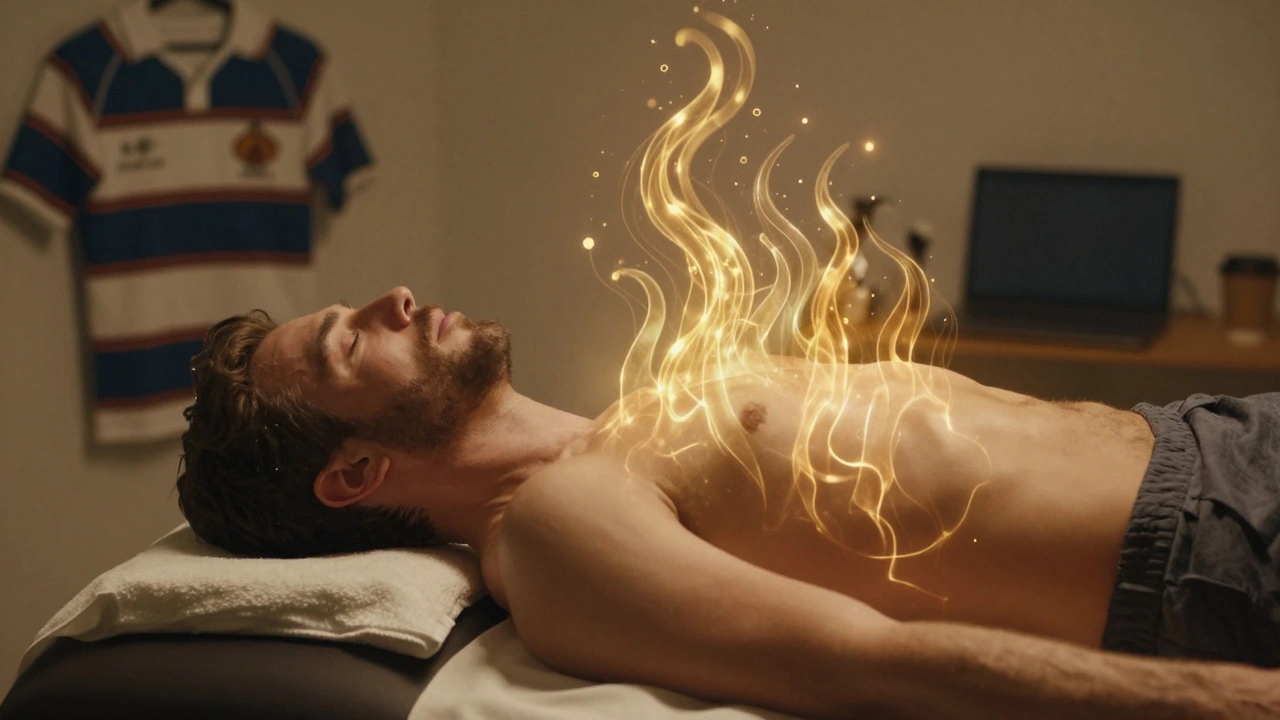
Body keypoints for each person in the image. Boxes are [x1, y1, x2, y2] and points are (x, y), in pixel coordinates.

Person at [176, 286, 1280, 719]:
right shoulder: (553, 526)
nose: (394, 297)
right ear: (353, 476)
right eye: (350, 342)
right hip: (1213, 556)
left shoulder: (618, 427)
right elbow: (863, 662)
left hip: (1218, 437)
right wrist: (1233, 701)